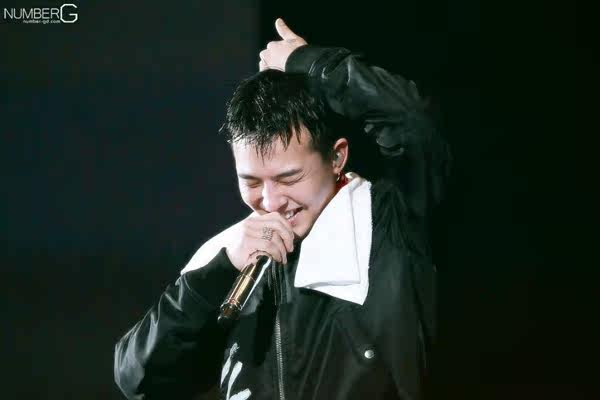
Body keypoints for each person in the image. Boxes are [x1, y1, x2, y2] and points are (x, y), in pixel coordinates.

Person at [114, 18, 450, 400]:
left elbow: (413, 122)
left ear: (337, 157)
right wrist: (218, 273)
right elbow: (138, 379)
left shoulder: (390, 220)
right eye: (252, 182)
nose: (271, 201)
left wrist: (310, 63)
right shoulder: (231, 256)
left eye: (289, 178)